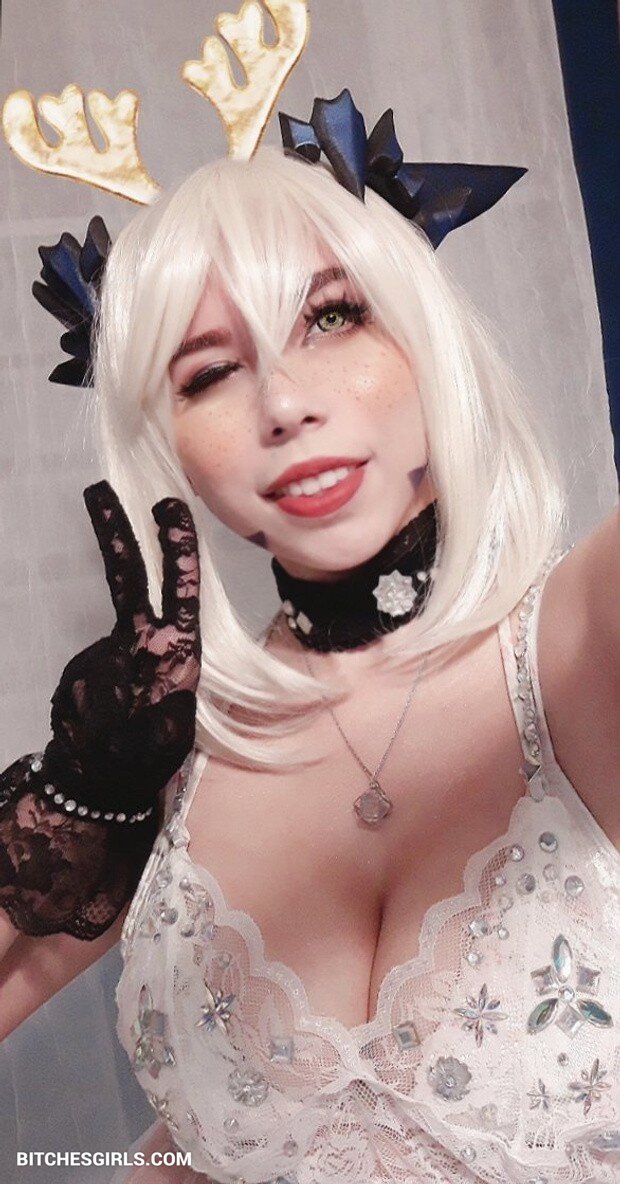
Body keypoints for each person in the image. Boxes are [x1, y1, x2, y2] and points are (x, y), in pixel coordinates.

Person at [1, 133, 618, 1183]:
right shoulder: (169, 752)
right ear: (166, 439)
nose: (283, 404)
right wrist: (79, 796)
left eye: (332, 317)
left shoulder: (582, 640)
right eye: (209, 373)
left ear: (426, 336)